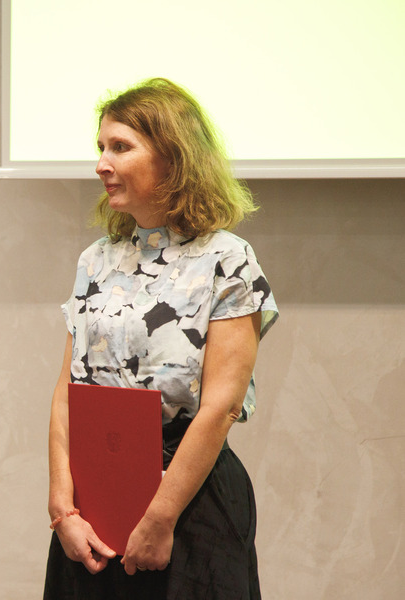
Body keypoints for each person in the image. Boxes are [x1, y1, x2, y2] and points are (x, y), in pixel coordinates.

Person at [44, 77, 278, 599]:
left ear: (173, 157)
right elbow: (66, 393)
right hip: (94, 499)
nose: (101, 164)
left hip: (189, 503)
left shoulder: (227, 259)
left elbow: (221, 406)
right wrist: (62, 507)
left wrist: (159, 518)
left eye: (120, 147)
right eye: (100, 147)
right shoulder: (96, 260)